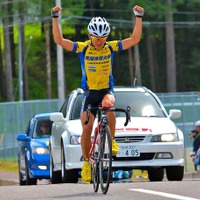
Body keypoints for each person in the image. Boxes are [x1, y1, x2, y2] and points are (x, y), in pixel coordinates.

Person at [51, 5, 144, 183]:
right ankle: (86, 162)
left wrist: (138, 17)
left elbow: (134, 39)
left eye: (103, 37)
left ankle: (112, 140)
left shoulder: (111, 47)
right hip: (89, 93)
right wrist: (55, 18)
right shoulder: (83, 48)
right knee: (87, 126)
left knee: (109, 105)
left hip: (106, 90)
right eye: (96, 38)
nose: (100, 41)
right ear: (89, 36)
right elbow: (60, 40)